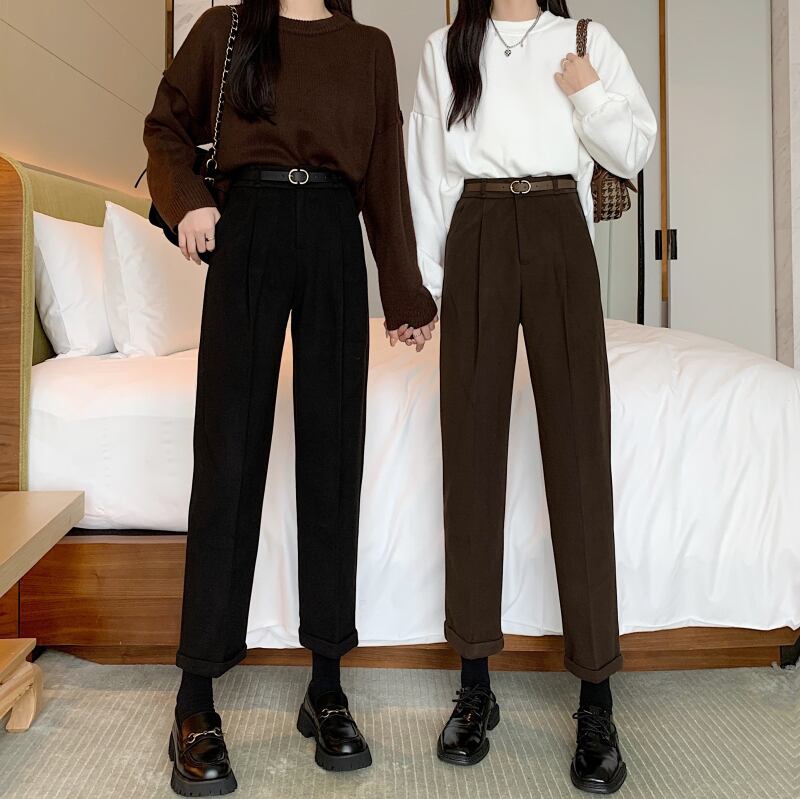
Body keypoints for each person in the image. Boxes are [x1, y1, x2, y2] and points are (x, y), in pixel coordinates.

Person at [144, 0, 437, 794]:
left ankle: (327, 685)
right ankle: (195, 696)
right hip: (249, 228)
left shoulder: (369, 48)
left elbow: (384, 173)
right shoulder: (225, 29)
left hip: (335, 233)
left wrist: (404, 290)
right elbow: (166, 126)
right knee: (229, 453)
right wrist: (189, 199)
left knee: (333, 453)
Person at [407, 0, 657, 793]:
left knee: (580, 455)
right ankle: (475, 684)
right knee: (471, 455)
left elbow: (634, 147)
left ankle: (596, 698)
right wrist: (428, 288)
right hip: (476, 226)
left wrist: (588, 92)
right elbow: (426, 170)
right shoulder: (446, 47)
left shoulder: (586, 42)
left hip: (559, 225)